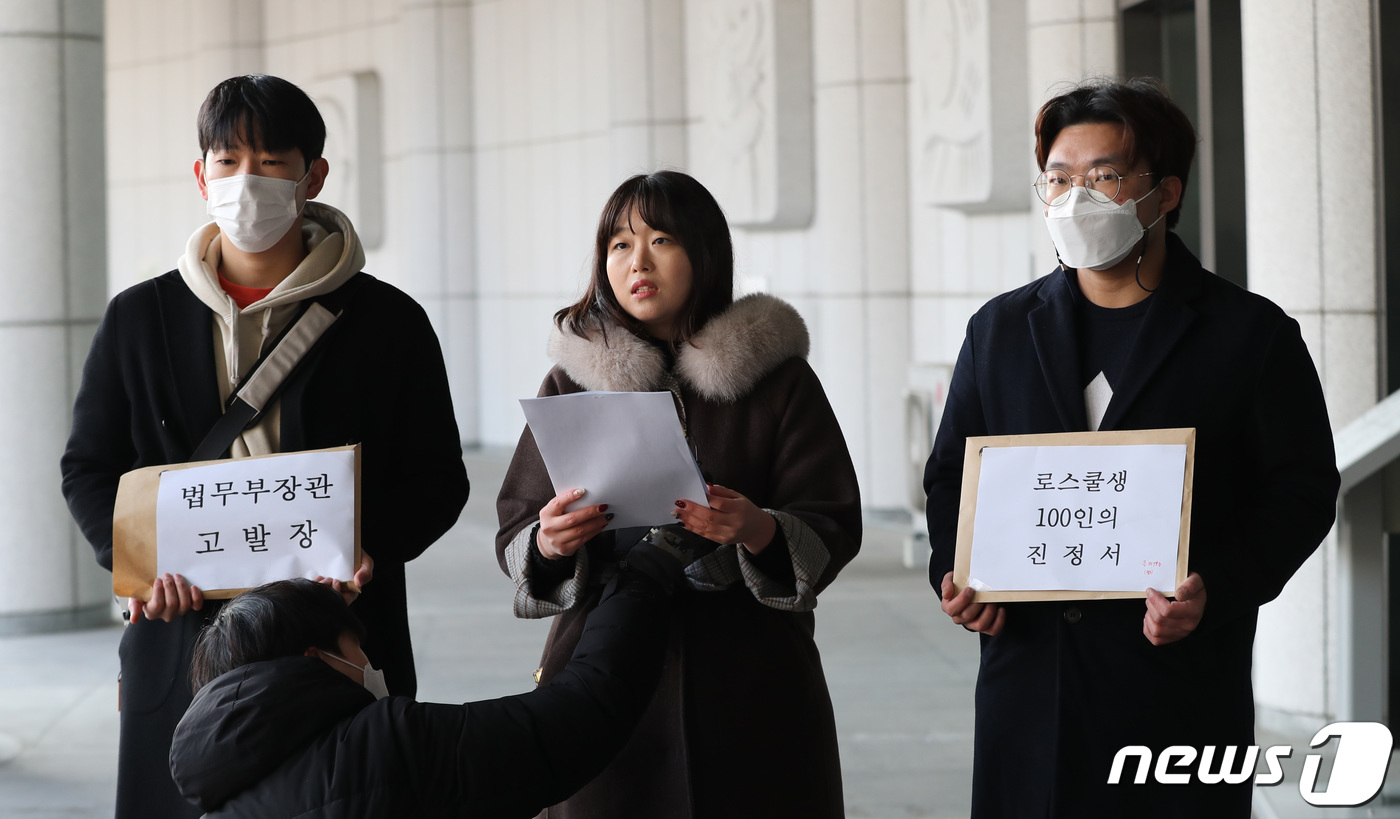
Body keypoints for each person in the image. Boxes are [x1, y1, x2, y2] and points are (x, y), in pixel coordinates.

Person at [923, 77, 1340, 817]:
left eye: (1105, 176)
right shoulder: (1000, 331)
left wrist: (1221, 586)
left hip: (1175, 688)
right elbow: (954, 475)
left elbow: (1302, 488)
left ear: (1166, 192)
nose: (1076, 198)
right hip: (1031, 688)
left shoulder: (1249, 336)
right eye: (1058, 178)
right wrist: (956, 577)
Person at [60, 74, 469, 818]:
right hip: (180, 640)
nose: (246, 180)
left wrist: (369, 544)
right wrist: (137, 564)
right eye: (227, 160)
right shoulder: (138, 318)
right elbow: (87, 466)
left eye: (272, 160)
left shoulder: (387, 322)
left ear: (312, 176)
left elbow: (440, 477)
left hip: (334, 637)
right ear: (200, 175)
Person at [495, 170, 862, 818]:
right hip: (603, 665)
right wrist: (550, 541)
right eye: (618, 244)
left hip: (751, 670)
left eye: (660, 240)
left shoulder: (777, 381)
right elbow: (519, 522)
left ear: (705, 252)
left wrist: (757, 529)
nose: (637, 262)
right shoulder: (573, 380)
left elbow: (831, 515)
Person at [169, 532, 698, 818]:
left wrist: (316, 610)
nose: (370, 665)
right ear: (316, 659)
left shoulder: (222, 786)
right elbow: (576, 720)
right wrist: (645, 573)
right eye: (356, 646)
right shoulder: (381, 745)